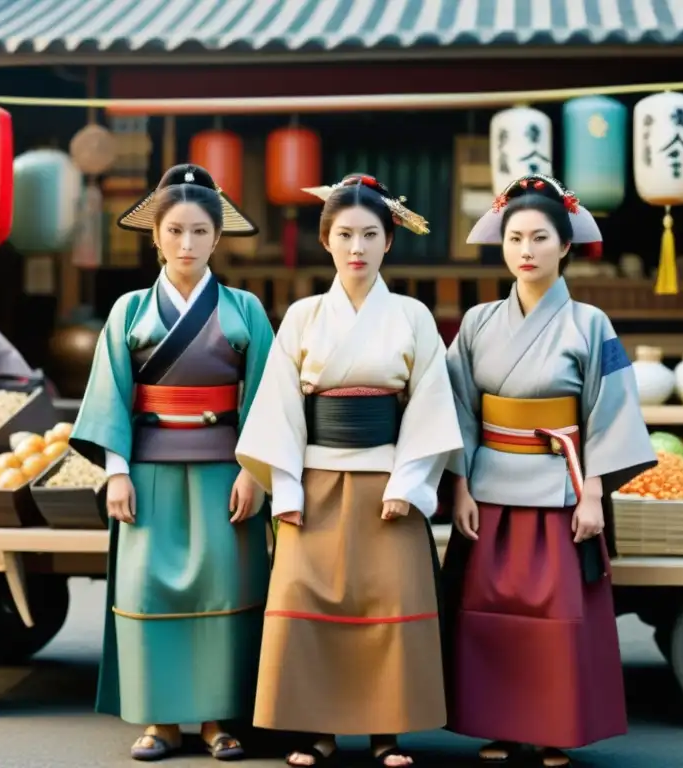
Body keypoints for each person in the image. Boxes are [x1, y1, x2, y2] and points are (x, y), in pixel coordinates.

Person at [235, 174, 463, 767]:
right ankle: (317, 729)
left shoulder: (412, 316)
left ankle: (388, 730)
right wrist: (284, 487)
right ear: (326, 241)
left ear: (390, 241)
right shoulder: (304, 316)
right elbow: (280, 407)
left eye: (369, 234)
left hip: (388, 481)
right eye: (344, 235)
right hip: (314, 482)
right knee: (310, 605)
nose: (357, 247)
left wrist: (411, 484)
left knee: (389, 607)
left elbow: (430, 403)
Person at [440, 174, 657, 767]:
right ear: (503, 246)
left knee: (555, 618)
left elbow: (609, 413)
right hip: (489, 485)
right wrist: (459, 482)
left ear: (565, 245)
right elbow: (458, 405)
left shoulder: (590, 324)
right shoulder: (480, 322)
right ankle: (501, 724)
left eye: (540, 237)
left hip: (560, 488)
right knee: (492, 613)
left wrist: (592, 494)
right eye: (515, 238)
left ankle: (553, 726)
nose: (527, 250)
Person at [68, 164, 274, 762]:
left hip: (222, 474)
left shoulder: (245, 309)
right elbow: (109, 393)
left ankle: (216, 719)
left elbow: (264, 396)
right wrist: (116, 471)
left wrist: (254, 472)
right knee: (148, 591)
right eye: (176, 231)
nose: (187, 244)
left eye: (200, 232)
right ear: (154, 236)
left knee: (221, 592)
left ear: (217, 238)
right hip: (148, 472)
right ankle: (160, 721)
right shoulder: (129, 310)